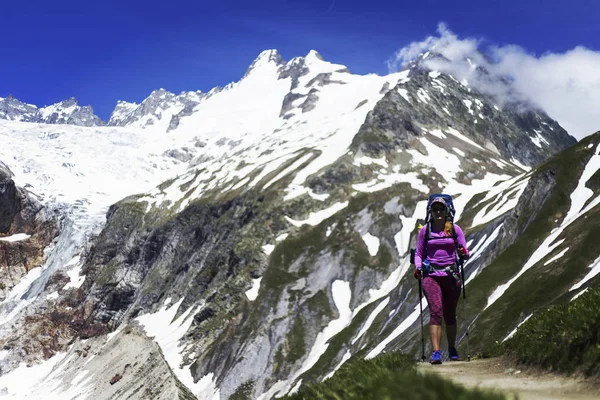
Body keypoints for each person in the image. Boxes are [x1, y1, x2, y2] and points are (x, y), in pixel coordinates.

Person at [413, 197, 469, 364]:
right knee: (436, 312)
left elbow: (466, 253)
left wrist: (462, 252)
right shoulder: (425, 230)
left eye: (441, 209)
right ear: (431, 212)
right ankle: (436, 352)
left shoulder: (454, 229)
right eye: (435, 209)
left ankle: (452, 348)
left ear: (447, 211)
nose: (438, 212)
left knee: (450, 314)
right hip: (431, 277)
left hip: (451, 276)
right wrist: (418, 267)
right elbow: (418, 253)